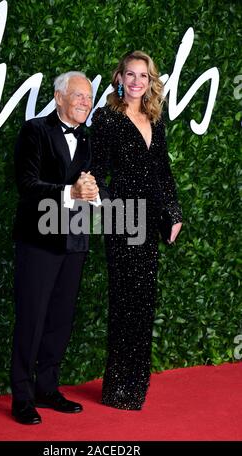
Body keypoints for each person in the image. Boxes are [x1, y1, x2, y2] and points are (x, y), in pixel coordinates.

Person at [90, 51, 182, 410]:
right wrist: (110, 208)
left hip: (150, 219)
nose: (136, 81)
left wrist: (172, 213)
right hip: (122, 218)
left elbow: (162, 172)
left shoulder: (155, 119)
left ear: (150, 81)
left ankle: (136, 387)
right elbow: (96, 171)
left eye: (143, 76)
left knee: (143, 304)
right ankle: (117, 389)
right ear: (120, 77)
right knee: (124, 301)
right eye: (130, 74)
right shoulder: (107, 118)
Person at [11, 71, 99, 424]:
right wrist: (70, 192)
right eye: (79, 95)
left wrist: (93, 194)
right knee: (31, 318)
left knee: (60, 320)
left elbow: (90, 184)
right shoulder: (34, 131)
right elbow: (27, 185)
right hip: (38, 241)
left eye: (89, 98)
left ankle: (47, 387)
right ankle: (21, 394)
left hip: (75, 240)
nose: (85, 103)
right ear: (59, 97)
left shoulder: (88, 138)